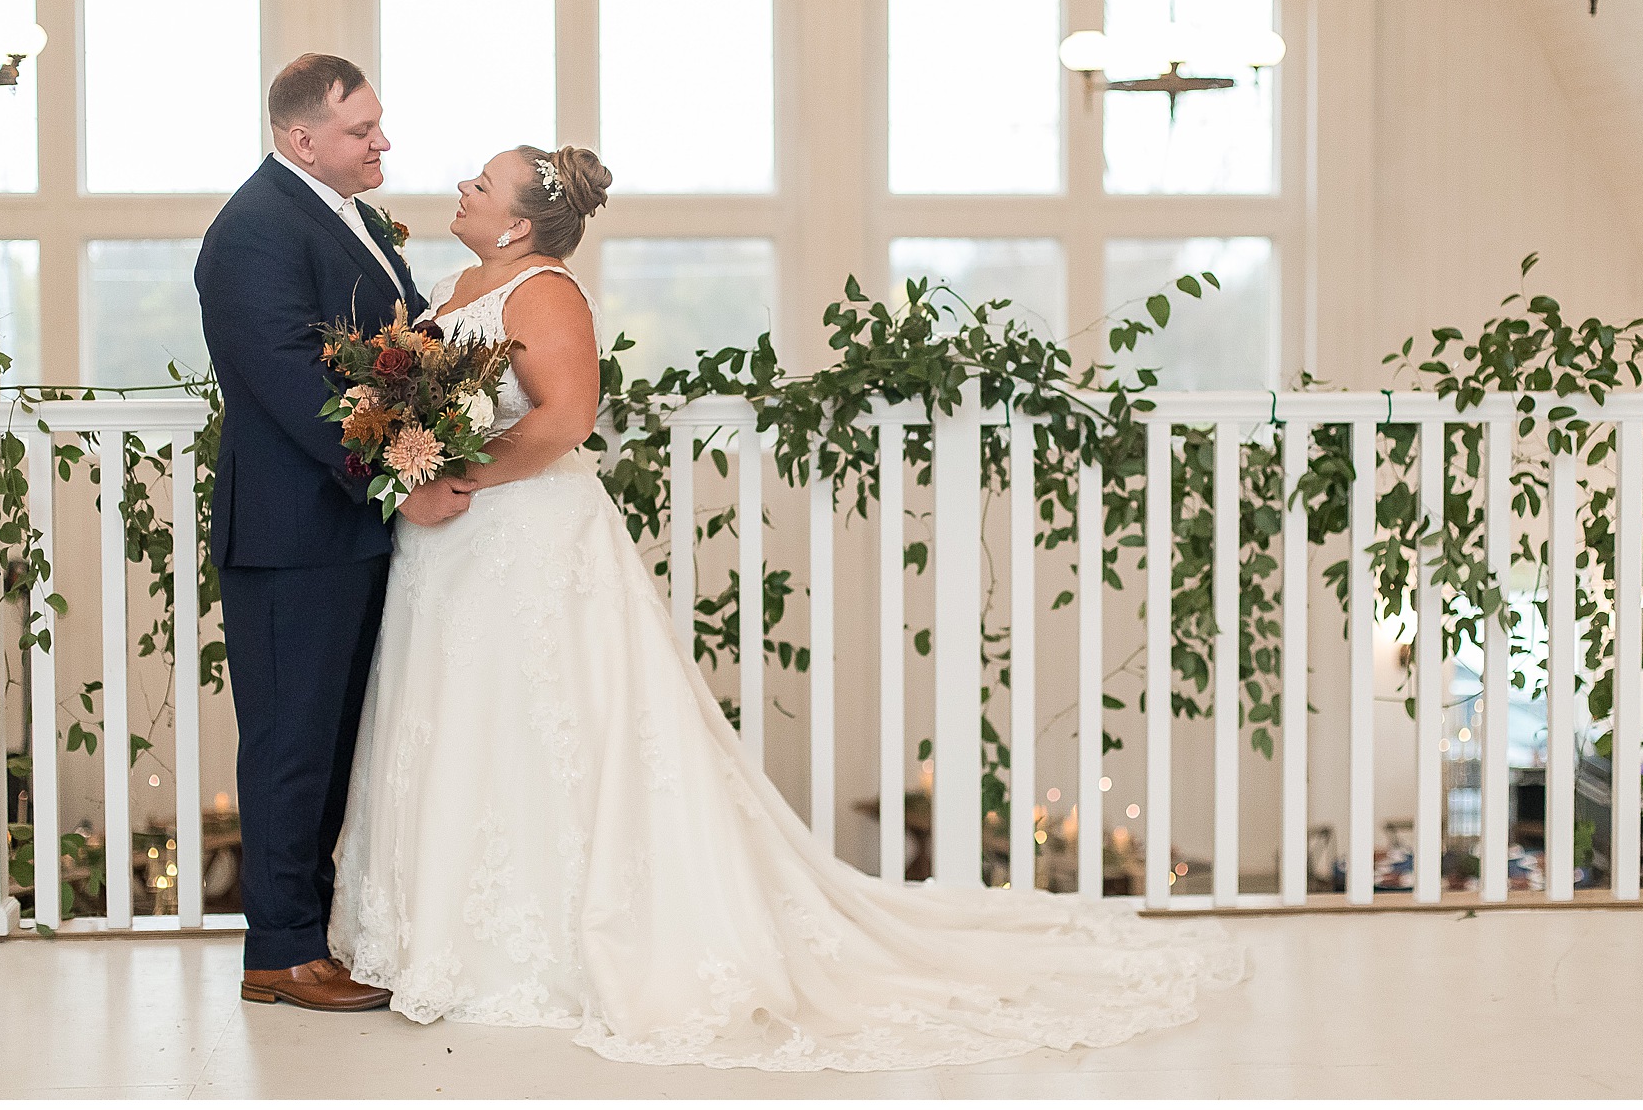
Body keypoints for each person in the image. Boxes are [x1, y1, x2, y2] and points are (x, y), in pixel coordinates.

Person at [327, 144, 1243, 1071]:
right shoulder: (454, 286)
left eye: (482, 184)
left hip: (524, 540)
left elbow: (565, 418)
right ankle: (441, 932)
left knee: (549, 726)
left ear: (520, 223)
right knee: (468, 722)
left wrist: (455, 471)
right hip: (450, 549)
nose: (464, 188)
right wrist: (412, 457)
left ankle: (541, 947)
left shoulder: (545, 292)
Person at [196, 54, 463, 1013]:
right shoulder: (251, 231)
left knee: (336, 737)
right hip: (291, 533)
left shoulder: (349, 215)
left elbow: (399, 344)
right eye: (362, 130)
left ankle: (314, 936)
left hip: (342, 531)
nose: (383, 141)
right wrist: (403, 475)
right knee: (290, 744)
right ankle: (279, 951)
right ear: (302, 139)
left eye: (378, 124)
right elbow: (292, 382)